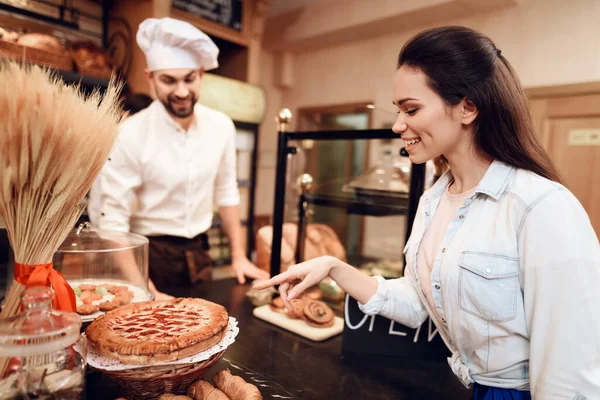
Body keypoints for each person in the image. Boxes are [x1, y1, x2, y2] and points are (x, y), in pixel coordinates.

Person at [255, 26, 600, 399]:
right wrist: (334, 268)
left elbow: (570, 364)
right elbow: (421, 303)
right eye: (398, 111)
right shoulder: (434, 198)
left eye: (411, 109)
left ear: (468, 107)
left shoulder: (541, 206)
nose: (397, 125)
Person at [93, 17, 268, 297]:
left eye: (189, 78)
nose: (182, 92)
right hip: (147, 258)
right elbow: (112, 223)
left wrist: (239, 256)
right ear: (150, 77)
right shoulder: (129, 134)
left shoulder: (221, 126)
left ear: (201, 74)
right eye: (169, 80)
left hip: (199, 254)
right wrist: (144, 288)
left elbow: (227, 194)